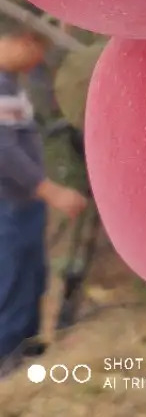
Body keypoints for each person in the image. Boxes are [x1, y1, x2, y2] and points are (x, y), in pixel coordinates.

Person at [0, 27, 87, 379]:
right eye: (34, 46)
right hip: (8, 204)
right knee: (13, 278)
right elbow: (4, 151)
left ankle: (25, 345)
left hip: (23, 205)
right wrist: (49, 190)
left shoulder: (12, 84)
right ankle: (7, 359)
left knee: (32, 275)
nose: (38, 56)